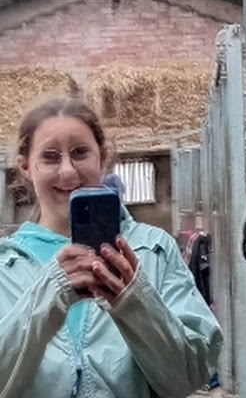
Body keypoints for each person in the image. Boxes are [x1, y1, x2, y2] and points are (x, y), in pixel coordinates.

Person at [0, 96, 223, 398]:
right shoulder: (6, 265)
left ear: (102, 157)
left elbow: (188, 377)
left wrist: (135, 302)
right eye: (50, 157)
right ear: (26, 167)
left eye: (80, 153)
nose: (67, 171)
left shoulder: (153, 249)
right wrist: (47, 296)